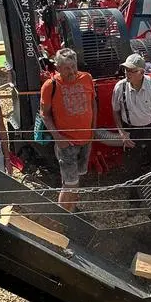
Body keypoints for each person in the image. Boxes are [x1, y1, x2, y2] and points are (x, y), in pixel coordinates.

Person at [40, 48, 96, 212]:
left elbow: (93, 104)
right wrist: (58, 138)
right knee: (70, 184)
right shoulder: (51, 86)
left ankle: (71, 209)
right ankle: (62, 218)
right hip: (67, 143)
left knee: (76, 179)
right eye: (66, 68)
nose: (71, 71)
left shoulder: (87, 78)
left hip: (86, 140)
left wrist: (92, 131)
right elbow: (45, 115)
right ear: (58, 67)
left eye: (73, 67)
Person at [111, 54, 151, 176]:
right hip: (131, 131)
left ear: (142, 72)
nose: (127, 73)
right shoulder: (119, 87)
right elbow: (116, 111)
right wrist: (122, 133)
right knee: (133, 167)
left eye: (132, 70)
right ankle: (134, 193)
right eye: (126, 70)